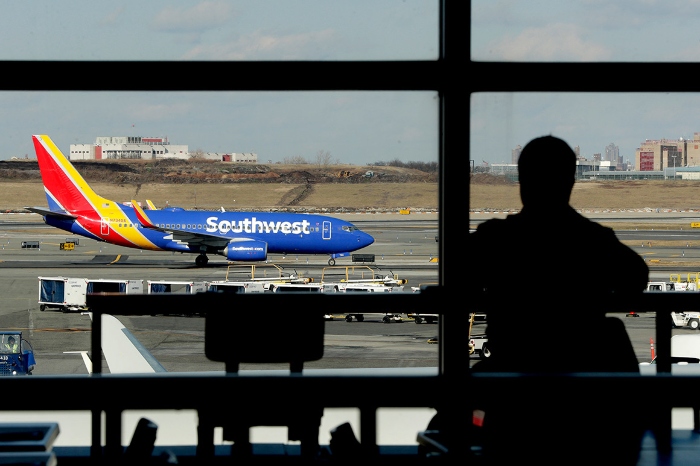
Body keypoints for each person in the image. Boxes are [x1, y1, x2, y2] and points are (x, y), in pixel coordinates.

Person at [467, 135, 649, 465]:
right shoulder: (593, 240)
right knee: (613, 332)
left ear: (521, 181)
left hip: (513, 400)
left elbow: (458, 280)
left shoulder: (494, 239)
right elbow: (637, 278)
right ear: (570, 182)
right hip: (583, 406)